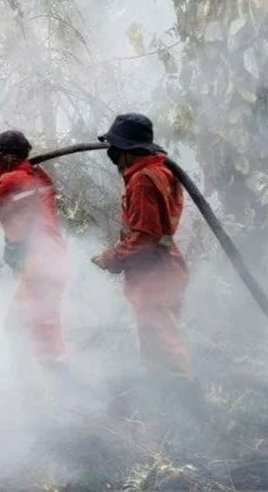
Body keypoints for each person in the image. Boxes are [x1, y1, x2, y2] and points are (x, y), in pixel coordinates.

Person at [92, 113, 200, 402]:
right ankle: (162, 401)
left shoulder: (142, 179)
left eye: (114, 148)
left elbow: (145, 236)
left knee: (162, 336)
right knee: (154, 335)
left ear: (124, 150)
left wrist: (111, 258)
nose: (112, 156)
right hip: (162, 265)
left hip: (154, 270)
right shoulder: (158, 169)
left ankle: (190, 404)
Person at [0, 130, 70, 366]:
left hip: (39, 262)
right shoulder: (37, 176)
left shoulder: (13, 181)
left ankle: (47, 385)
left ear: (9, 157)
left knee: (27, 326)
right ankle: (41, 380)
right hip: (52, 258)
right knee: (36, 325)